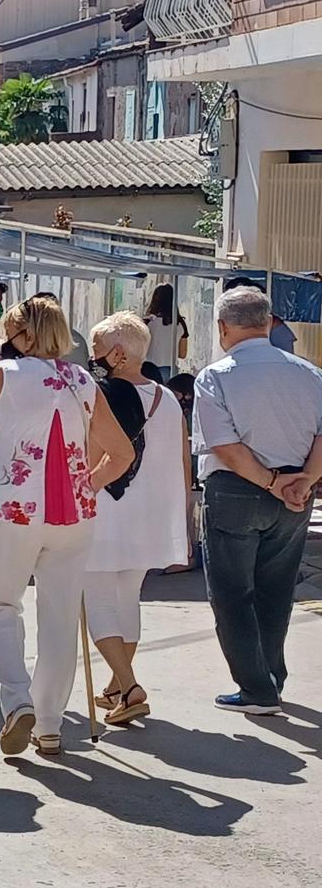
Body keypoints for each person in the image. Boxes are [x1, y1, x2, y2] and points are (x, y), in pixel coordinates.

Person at [0, 296, 135, 755]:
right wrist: (87, 482)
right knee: (60, 617)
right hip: (73, 515)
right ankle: (49, 724)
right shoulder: (84, 381)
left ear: (26, 335)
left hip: (12, 505)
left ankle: (18, 699)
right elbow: (121, 454)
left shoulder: (5, 374)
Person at [191, 285, 322, 715]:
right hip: (295, 490)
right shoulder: (310, 374)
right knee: (276, 590)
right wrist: (303, 481)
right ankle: (272, 676)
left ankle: (256, 687)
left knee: (231, 592)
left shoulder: (214, 376)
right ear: (269, 323)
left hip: (237, 489)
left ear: (223, 327)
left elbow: (224, 446)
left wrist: (269, 482)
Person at [83, 313, 190, 726]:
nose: (93, 359)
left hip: (107, 509)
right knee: (127, 599)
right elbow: (182, 462)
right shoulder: (167, 399)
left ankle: (129, 686)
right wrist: (179, 522)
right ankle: (116, 685)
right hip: (150, 517)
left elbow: (95, 455)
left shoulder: (102, 394)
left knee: (99, 602)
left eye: (97, 351)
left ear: (118, 354)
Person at [143, 283, 189, 382]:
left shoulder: (147, 322)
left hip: (149, 368)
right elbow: (182, 354)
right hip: (170, 368)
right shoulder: (180, 323)